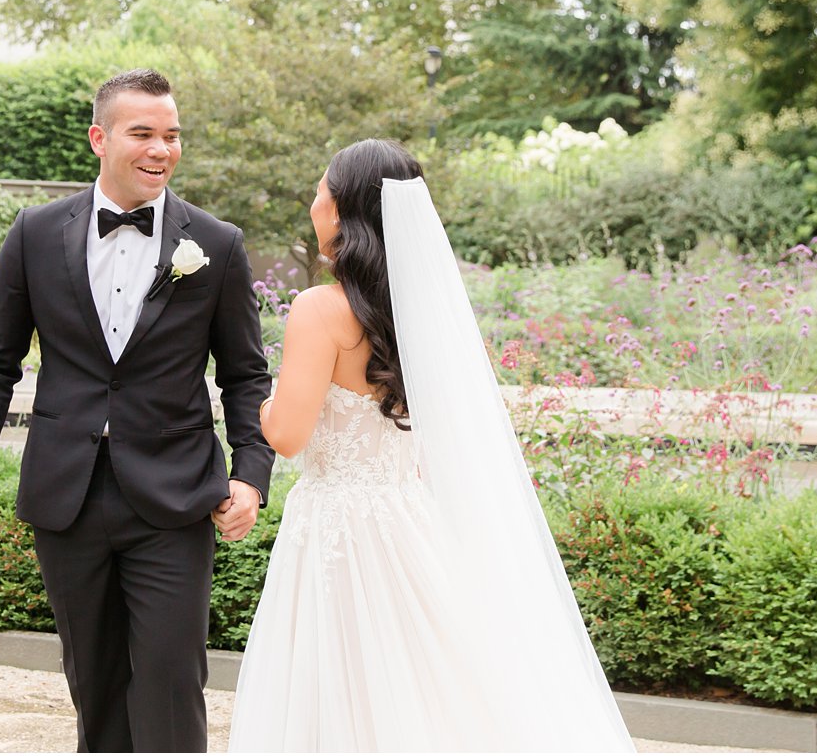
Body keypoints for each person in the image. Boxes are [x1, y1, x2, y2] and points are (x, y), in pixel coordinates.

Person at [228, 138, 634, 752]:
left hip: (338, 528)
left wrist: (258, 405)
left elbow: (286, 434)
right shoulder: (418, 312)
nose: (313, 204)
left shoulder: (318, 309)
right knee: (428, 683)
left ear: (342, 211)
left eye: (320, 191)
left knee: (339, 686)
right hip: (410, 521)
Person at [0, 68, 274, 753]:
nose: (162, 149)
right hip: (69, 495)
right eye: (144, 133)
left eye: (172, 135)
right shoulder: (35, 233)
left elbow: (245, 374)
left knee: (169, 681)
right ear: (100, 137)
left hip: (175, 496)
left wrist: (251, 474)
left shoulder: (215, 244)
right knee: (94, 688)